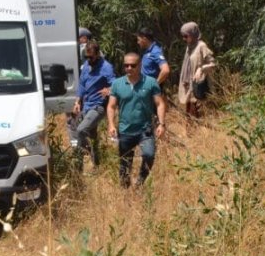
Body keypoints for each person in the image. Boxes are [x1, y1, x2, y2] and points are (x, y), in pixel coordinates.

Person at [107, 52, 166, 188]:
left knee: (149, 155)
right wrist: (111, 124)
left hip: (145, 130)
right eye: (126, 65)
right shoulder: (117, 84)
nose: (129, 68)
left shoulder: (150, 82)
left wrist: (161, 124)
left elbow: (160, 104)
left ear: (140, 65)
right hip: (125, 130)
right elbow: (111, 106)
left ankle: (140, 182)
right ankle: (125, 192)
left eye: (132, 65)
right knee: (124, 165)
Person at [69, 41, 114, 170]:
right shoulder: (86, 66)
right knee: (92, 137)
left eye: (91, 57)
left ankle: (81, 163)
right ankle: (97, 166)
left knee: (80, 131)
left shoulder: (106, 67)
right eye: (86, 57)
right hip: (86, 106)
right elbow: (82, 85)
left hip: (98, 107)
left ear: (98, 54)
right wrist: (77, 102)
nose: (89, 60)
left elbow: (115, 84)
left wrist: (109, 90)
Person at [178, 22, 216, 120]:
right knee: (189, 115)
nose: (184, 39)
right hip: (188, 84)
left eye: (186, 36)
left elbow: (212, 64)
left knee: (198, 114)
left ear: (193, 34)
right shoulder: (189, 46)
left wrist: (201, 69)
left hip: (198, 86)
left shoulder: (201, 46)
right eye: (183, 36)